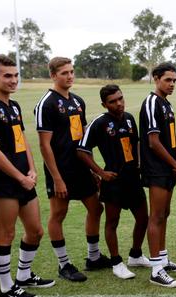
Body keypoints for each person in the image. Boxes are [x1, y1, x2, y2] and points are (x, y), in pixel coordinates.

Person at [0, 55, 54, 297]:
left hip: (24, 178)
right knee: (6, 234)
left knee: (35, 231)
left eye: (15, 75)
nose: (13, 80)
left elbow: (22, 140)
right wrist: (19, 177)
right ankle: (6, 288)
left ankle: (23, 276)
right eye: (7, 75)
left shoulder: (13, 106)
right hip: (4, 181)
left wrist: (32, 170)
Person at [35, 57, 105, 282]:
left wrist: (93, 168)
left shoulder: (78, 101)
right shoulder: (46, 103)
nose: (70, 76)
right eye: (64, 72)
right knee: (59, 214)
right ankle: (64, 264)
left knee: (96, 208)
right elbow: (44, 145)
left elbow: (83, 140)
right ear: (53, 75)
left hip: (81, 168)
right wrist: (57, 178)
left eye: (72, 72)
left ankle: (93, 258)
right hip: (61, 170)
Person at [77, 85, 151, 280]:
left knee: (144, 218)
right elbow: (82, 150)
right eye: (112, 101)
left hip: (133, 179)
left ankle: (135, 255)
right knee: (112, 222)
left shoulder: (129, 118)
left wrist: (140, 165)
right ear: (104, 104)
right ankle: (116, 262)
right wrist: (101, 172)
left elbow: (136, 143)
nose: (118, 103)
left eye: (120, 98)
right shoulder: (100, 123)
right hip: (114, 181)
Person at [139, 62, 176, 288]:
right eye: (168, 80)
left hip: (167, 167)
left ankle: (163, 259)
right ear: (156, 79)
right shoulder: (151, 103)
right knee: (156, 216)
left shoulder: (166, 104)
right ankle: (156, 270)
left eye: (174, 80)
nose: (172, 84)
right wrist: (172, 163)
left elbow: (168, 140)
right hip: (157, 169)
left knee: (164, 213)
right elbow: (153, 142)